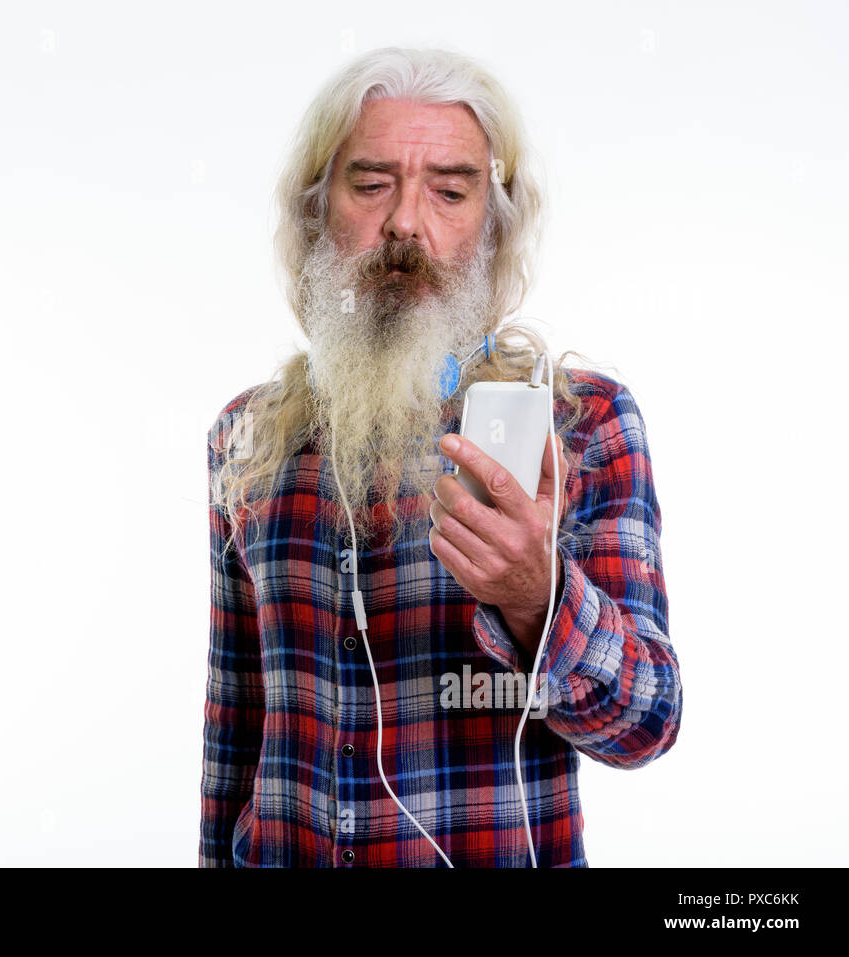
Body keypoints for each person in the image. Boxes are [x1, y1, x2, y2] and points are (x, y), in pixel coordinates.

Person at [200, 47, 682, 867]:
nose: (405, 224)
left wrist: (539, 601)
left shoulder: (582, 424)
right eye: (371, 183)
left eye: (450, 191)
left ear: (492, 224)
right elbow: (235, 721)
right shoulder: (246, 434)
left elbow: (647, 723)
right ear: (318, 208)